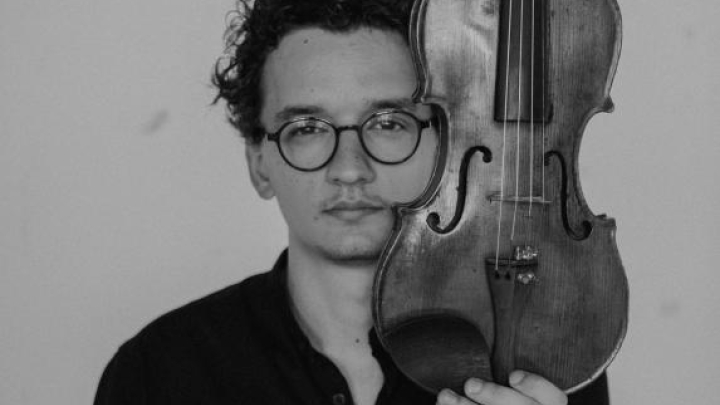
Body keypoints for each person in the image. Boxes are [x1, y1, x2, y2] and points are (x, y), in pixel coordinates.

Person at [94, 1, 609, 404]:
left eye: (387, 123)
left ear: (444, 143)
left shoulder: (546, 363)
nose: (349, 168)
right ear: (259, 164)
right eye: (306, 128)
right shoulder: (157, 372)